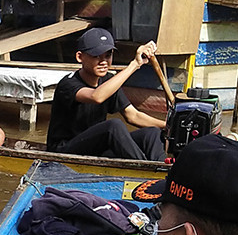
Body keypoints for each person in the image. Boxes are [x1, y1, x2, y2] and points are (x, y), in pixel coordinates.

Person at [46, 27, 165, 160]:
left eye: (108, 56)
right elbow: (96, 96)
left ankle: (161, 173)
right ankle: (143, 170)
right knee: (113, 126)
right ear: (80, 57)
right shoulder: (68, 84)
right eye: (96, 56)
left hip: (95, 147)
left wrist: (167, 126)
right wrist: (135, 64)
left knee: (152, 133)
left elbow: (133, 116)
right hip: (64, 150)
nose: (103, 62)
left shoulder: (108, 80)